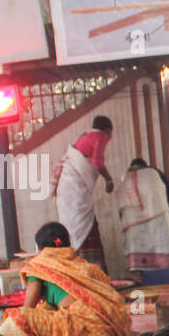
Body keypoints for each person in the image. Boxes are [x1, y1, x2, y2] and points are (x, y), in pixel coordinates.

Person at [0, 221, 131, 336]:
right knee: (45, 308)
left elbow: (27, 309)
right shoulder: (83, 265)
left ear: (40, 248)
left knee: (13, 322)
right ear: (67, 242)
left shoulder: (39, 265)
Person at [52, 114, 115, 269]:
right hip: (74, 191)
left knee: (74, 228)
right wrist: (109, 179)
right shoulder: (100, 136)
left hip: (67, 191)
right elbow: (97, 162)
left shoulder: (85, 137)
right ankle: (92, 274)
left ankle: (76, 269)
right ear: (108, 130)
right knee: (84, 226)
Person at [115, 158, 169, 272]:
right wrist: (156, 207)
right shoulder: (154, 173)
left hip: (134, 226)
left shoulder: (125, 179)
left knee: (142, 262)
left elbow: (121, 211)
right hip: (159, 220)